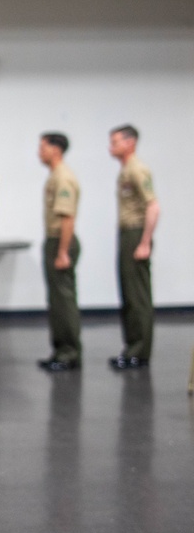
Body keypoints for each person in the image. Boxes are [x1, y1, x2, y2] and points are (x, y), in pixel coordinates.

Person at [107, 124, 159, 370]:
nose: (111, 147)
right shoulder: (126, 170)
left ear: (130, 143)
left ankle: (139, 351)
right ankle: (131, 348)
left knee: (137, 296)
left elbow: (153, 206)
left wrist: (145, 242)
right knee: (128, 294)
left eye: (115, 142)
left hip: (136, 233)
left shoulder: (137, 170)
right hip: (127, 233)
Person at [36, 132, 83, 371]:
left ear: (56, 149)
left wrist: (63, 252)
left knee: (63, 301)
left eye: (43, 146)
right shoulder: (55, 176)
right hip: (54, 241)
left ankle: (69, 353)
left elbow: (67, 218)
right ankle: (60, 350)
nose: (39, 151)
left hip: (60, 242)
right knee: (56, 300)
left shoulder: (63, 177)